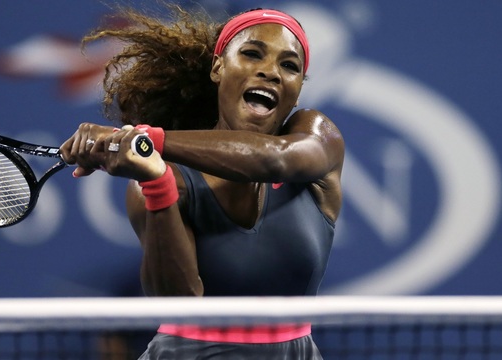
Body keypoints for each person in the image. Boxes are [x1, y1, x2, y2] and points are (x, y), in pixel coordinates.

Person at [60, 4, 344, 359]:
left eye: (289, 66)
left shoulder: (318, 138)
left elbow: (275, 158)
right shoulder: (170, 177)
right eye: (252, 54)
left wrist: (149, 140)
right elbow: (178, 304)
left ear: (298, 89)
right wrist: (157, 184)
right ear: (218, 67)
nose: (270, 71)